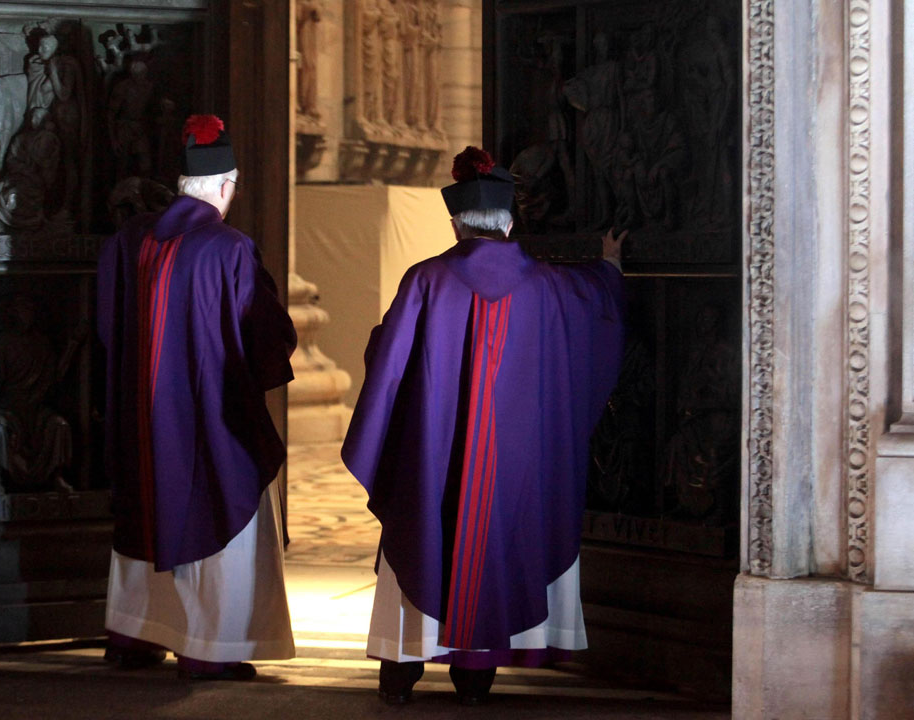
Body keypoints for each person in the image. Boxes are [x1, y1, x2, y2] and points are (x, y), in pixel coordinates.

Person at [342, 146, 626, 705]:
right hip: (512, 468)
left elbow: (388, 363)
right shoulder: (547, 286)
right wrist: (611, 264)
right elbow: (596, 308)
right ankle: (474, 676)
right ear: (511, 221)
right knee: (494, 541)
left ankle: (400, 674)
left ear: (455, 221)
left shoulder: (425, 281)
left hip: (433, 457)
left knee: (421, 531)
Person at [96, 114, 297, 680]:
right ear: (226, 186)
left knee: (145, 510)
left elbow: (109, 331)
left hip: (139, 415)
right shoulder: (229, 248)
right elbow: (265, 339)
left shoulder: (127, 241)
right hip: (209, 417)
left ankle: (135, 634)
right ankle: (208, 645)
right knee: (218, 501)